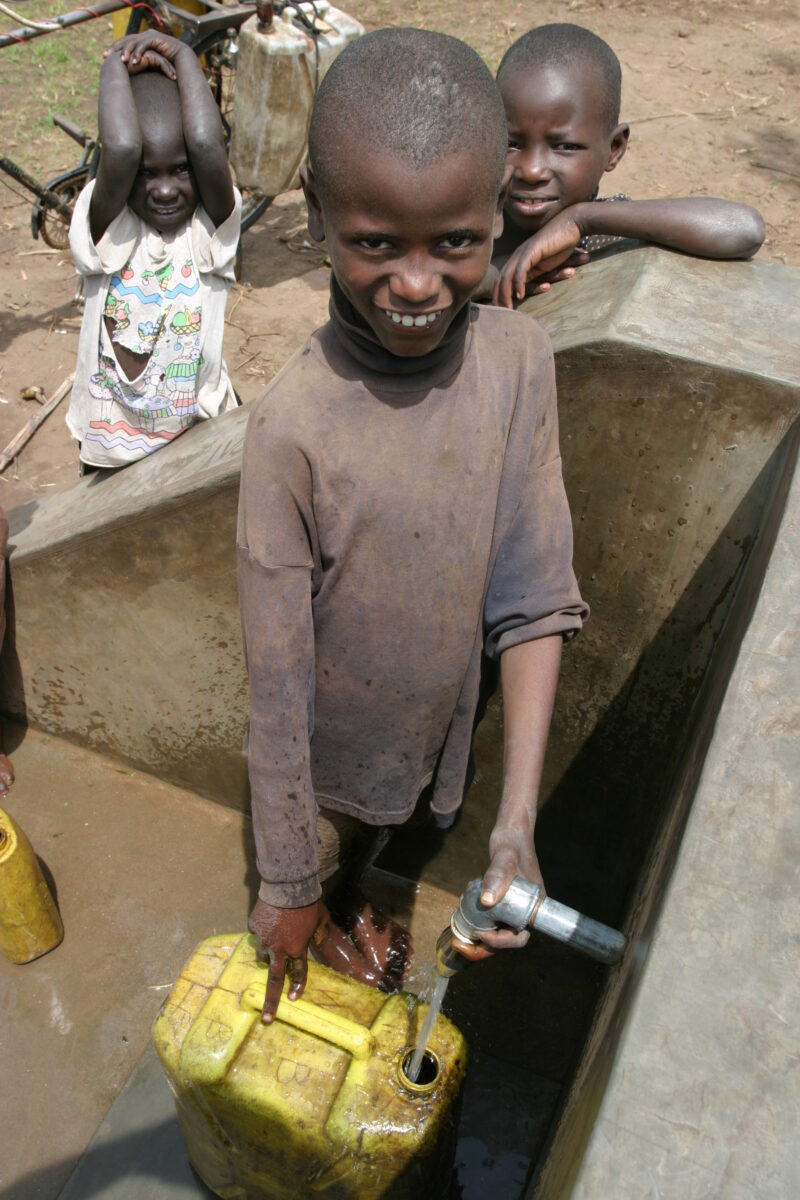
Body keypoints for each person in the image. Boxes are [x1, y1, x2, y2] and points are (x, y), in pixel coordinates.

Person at [238, 27, 589, 1023]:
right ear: (316, 213)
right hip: (323, 769)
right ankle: (339, 900)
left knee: (390, 841)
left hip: (437, 739)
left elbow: (531, 601)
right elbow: (275, 693)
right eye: (374, 243)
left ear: (497, 217)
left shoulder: (517, 363)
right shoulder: (291, 433)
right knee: (316, 893)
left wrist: (513, 827)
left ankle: (361, 891)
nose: (418, 283)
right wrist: (285, 884)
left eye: (456, 243)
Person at [489, 23, 765, 307]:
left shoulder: (606, 235)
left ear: (614, 149)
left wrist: (581, 219)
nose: (532, 170)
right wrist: (490, 277)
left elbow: (745, 229)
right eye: (512, 143)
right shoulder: (469, 226)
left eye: (566, 147)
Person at [67, 31, 241, 472]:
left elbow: (205, 143)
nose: (165, 190)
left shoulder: (207, 236)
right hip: (112, 451)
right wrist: (114, 62)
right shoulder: (109, 233)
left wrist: (184, 53)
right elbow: (123, 149)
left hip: (196, 440)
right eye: (147, 175)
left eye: (181, 170)